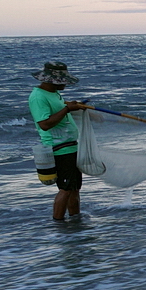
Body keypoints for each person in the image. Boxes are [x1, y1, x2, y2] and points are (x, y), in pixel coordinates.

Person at [28, 61, 89, 221]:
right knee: (65, 189)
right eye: (63, 81)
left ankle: (76, 222)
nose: (66, 85)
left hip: (70, 147)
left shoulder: (54, 94)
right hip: (59, 148)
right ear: (52, 80)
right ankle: (58, 226)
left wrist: (70, 106)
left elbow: (58, 111)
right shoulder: (38, 96)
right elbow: (45, 124)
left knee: (74, 188)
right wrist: (67, 109)